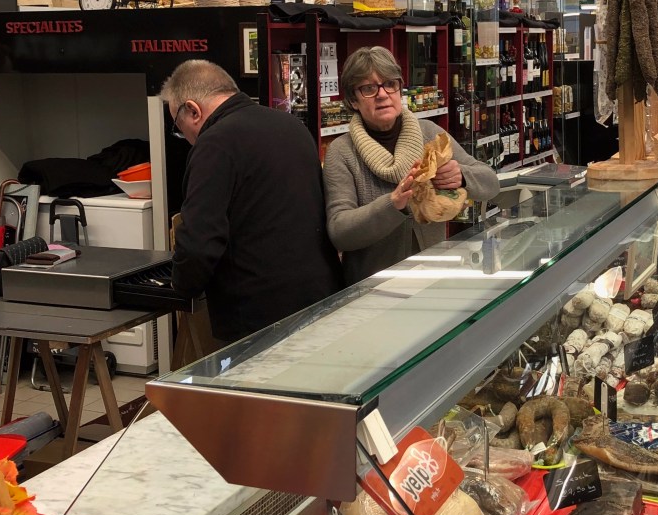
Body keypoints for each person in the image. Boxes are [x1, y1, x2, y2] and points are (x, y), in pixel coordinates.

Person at [160, 60, 343, 346]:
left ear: (193, 110)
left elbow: (199, 241)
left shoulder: (214, 144)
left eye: (179, 127)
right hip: (320, 298)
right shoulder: (292, 126)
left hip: (257, 317)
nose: (185, 138)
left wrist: (180, 285)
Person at [323, 46, 499, 285]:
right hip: (373, 289)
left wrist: (462, 175)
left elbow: (491, 184)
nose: (382, 94)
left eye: (390, 84)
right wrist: (393, 204)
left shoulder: (429, 133)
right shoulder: (342, 152)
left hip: (433, 279)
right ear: (353, 100)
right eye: (368, 88)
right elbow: (340, 232)